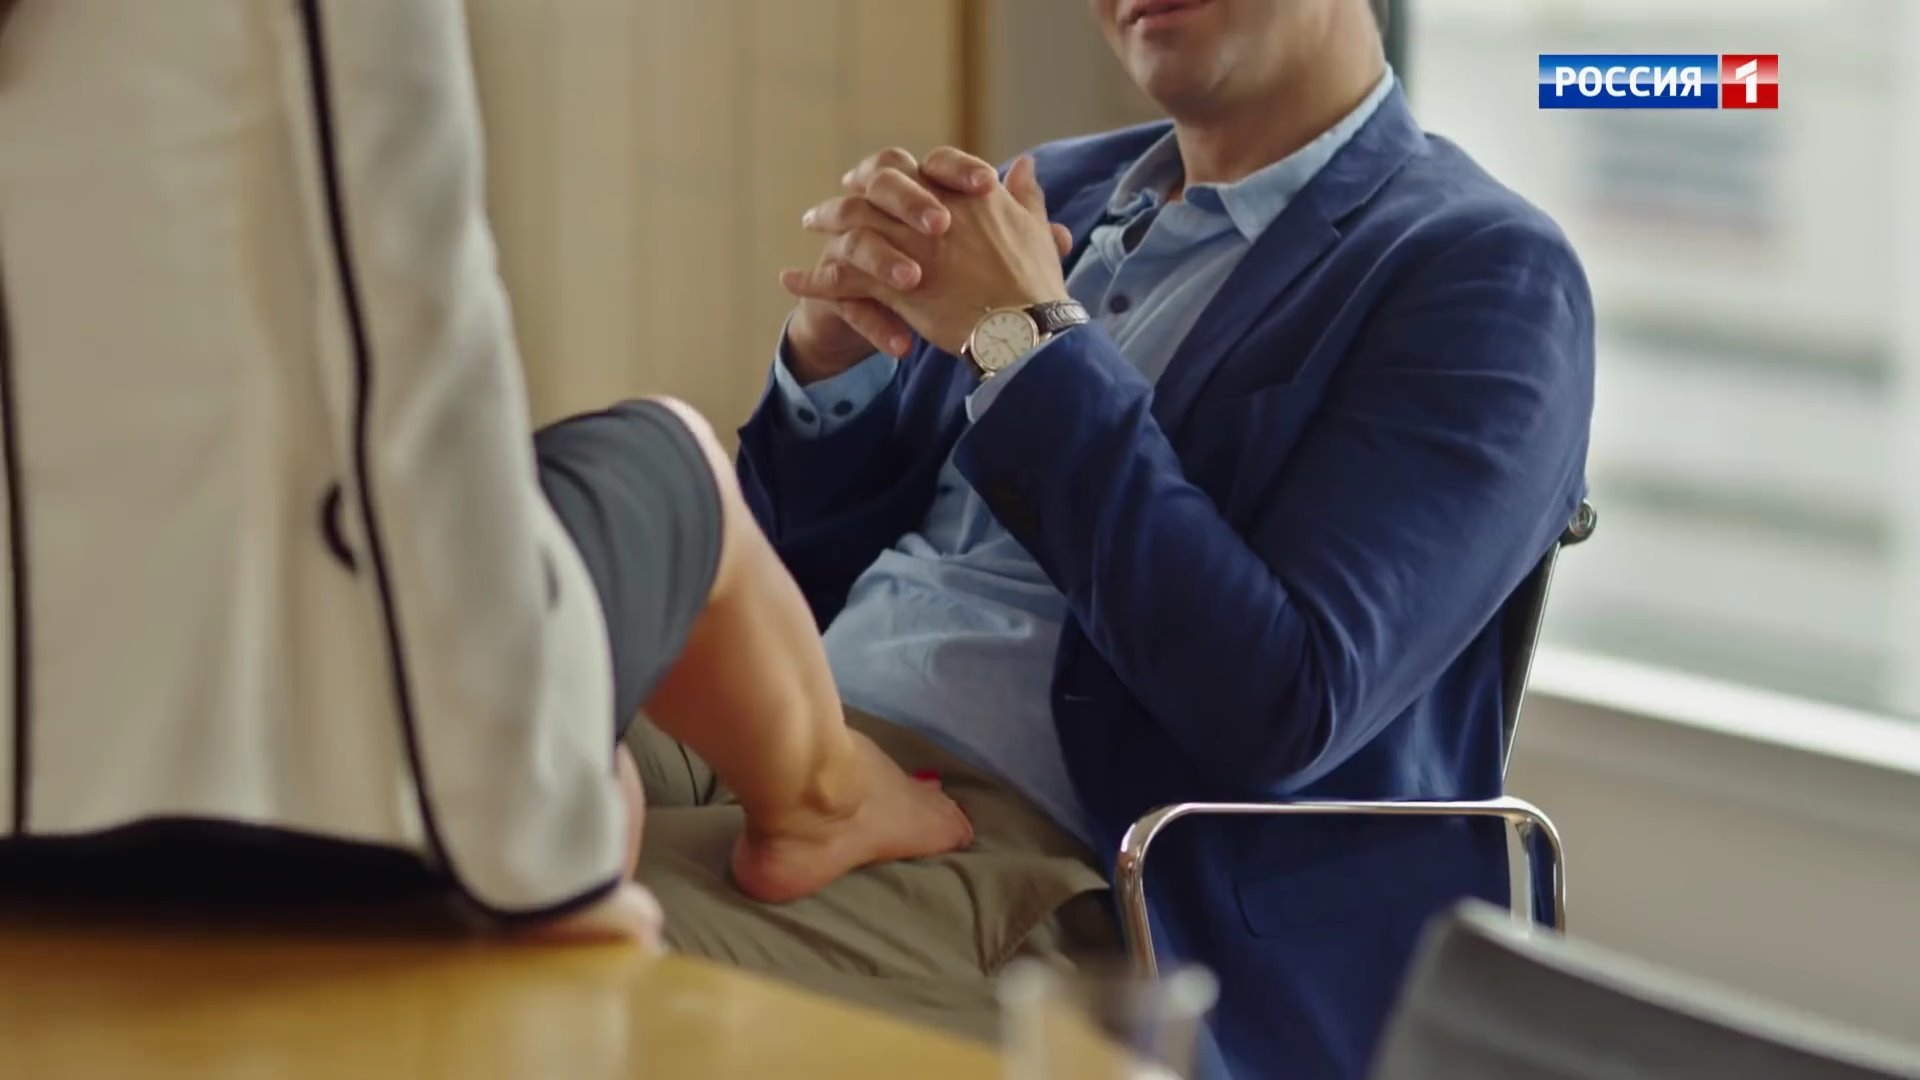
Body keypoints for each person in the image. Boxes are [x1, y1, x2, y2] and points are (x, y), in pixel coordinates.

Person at [629, 0, 1594, 1077]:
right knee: (482, 771)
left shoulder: (1483, 274)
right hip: (786, 720)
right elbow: (801, 573)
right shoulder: (1056, 191)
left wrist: (1025, 341)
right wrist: (833, 369)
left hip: (1058, 867)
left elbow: (1281, 705)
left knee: (537, 913)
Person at [0, 0, 966, 942]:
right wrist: (531, 842)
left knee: (599, 543)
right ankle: (825, 796)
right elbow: (413, 387)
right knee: (674, 457)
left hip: (57, 774)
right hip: (319, 817)